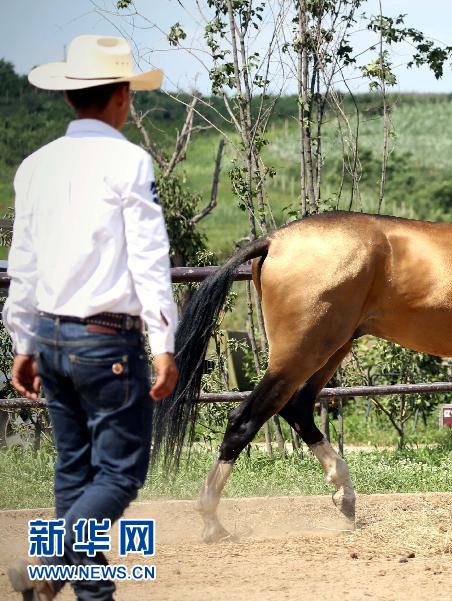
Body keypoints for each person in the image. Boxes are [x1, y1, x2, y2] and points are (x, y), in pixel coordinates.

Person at [3, 35, 179, 601]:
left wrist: (23, 342)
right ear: (123, 97)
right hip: (107, 342)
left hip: (51, 336)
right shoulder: (130, 162)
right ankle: (45, 566)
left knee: (72, 470)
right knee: (120, 474)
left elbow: (23, 263)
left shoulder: (34, 166)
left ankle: (84, 594)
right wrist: (163, 341)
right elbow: (149, 259)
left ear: (69, 97)